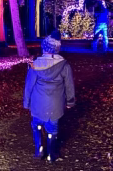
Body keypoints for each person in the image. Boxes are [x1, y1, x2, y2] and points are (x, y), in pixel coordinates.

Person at [23, 31, 75, 162]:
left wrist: (26, 102)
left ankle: (39, 149)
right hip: (55, 105)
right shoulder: (64, 65)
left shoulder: (35, 65)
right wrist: (70, 101)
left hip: (37, 103)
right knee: (53, 129)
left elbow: (29, 86)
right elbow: (69, 85)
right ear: (57, 48)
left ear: (43, 47)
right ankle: (51, 154)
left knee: (36, 126)